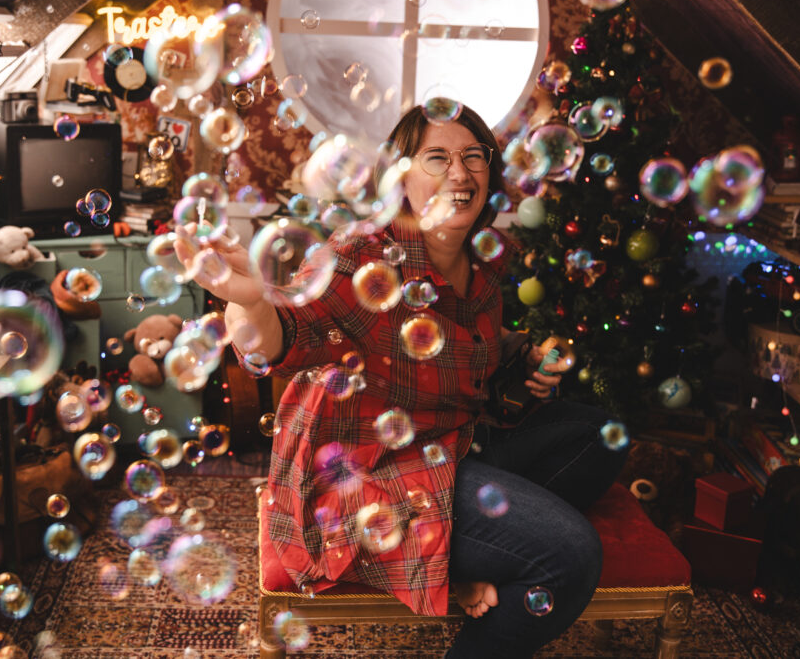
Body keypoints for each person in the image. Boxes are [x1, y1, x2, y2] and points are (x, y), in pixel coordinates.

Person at [176, 103, 629, 658]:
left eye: (473, 157)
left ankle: (465, 560)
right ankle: (464, 564)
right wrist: (250, 302)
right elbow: (283, 336)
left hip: (449, 447)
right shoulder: (362, 257)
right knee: (570, 555)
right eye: (437, 158)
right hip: (365, 481)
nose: (459, 175)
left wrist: (526, 361)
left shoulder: (485, 266)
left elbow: (470, 362)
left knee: (601, 433)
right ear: (402, 176)